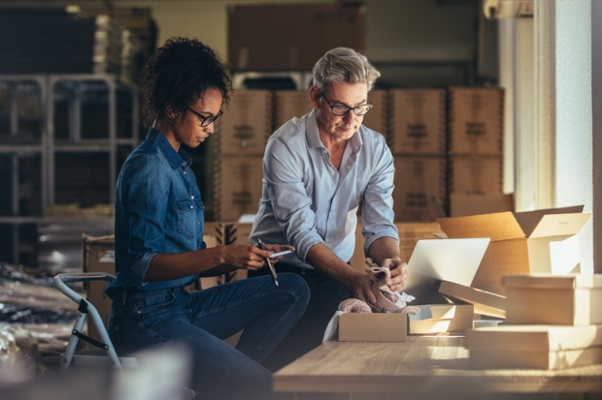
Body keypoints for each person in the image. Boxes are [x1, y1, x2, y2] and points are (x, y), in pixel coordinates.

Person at [104, 37, 310, 400]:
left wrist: (249, 253)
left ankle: (229, 383)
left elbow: (191, 262)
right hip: (144, 319)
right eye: (205, 117)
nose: (210, 128)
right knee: (263, 386)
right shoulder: (149, 168)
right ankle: (238, 384)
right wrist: (223, 255)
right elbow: (141, 266)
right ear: (171, 107)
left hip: (180, 306)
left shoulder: (180, 165)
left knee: (292, 288)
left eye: (215, 118)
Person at [248, 47, 408, 371]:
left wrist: (390, 258)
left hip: (336, 271)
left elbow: (379, 226)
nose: (352, 120)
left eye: (361, 108)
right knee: (269, 373)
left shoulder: (375, 150)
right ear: (315, 97)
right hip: (278, 272)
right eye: (340, 107)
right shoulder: (285, 146)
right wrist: (353, 277)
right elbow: (301, 233)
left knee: (326, 370)